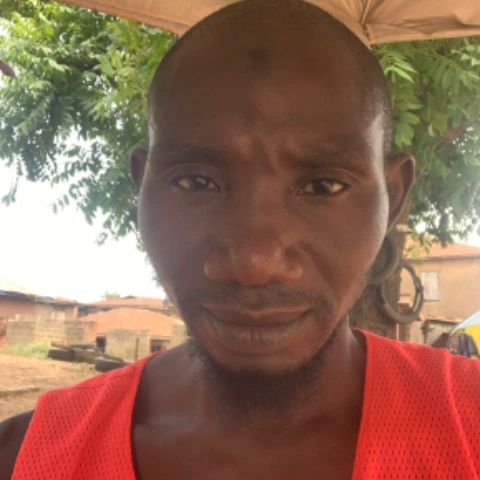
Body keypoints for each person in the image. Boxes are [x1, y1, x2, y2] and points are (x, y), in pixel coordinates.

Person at [1, 0, 480, 478]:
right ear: (141, 187)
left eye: (323, 186)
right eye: (196, 182)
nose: (254, 263)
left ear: (392, 198)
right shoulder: (23, 458)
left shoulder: (469, 421)